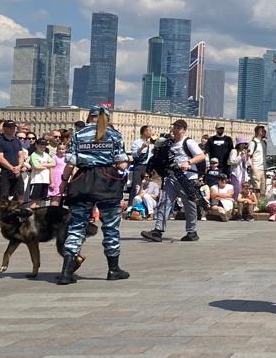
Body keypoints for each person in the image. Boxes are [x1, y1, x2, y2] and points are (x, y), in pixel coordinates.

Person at [57, 107, 130, 285]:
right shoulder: (114, 135)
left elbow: (71, 163)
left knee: (76, 226)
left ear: (89, 117)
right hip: (107, 182)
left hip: (83, 181)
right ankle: (113, 269)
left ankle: (66, 271)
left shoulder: (79, 134)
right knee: (111, 227)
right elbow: (121, 164)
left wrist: (64, 181)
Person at [141, 120, 206, 243]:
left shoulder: (188, 142)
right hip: (171, 177)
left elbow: (201, 156)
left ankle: (192, 232)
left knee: (189, 206)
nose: (175, 129)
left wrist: (188, 162)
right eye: (174, 127)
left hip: (186, 178)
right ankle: (158, 231)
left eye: (178, 127)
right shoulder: (169, 142)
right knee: (164, 202)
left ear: (184, 130)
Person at [0, 119, 28, 206]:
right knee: (3, 197)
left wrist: (19, 166)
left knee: (20, 195)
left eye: (13, 128)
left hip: (17, 172)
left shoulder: (17, 141)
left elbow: (21, 155)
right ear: (4, 128)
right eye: (10, 128)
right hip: (4, 173)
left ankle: (17, 215)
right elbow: (0, 158)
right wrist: (12, 168)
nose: (12, 130)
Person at [27, 138, 55, 208]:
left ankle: (37, 216)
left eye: (44, 146)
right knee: (33, 200)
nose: (42, 147)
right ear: (36, 145)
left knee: (40, 200)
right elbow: (36, 166)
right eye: (40, 146)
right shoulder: (34, 154)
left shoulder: (46, 154)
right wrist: (47, 165)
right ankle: (31, 216)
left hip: (45, 181)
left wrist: (43, 164)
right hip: (36, 181)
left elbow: (53, 163)